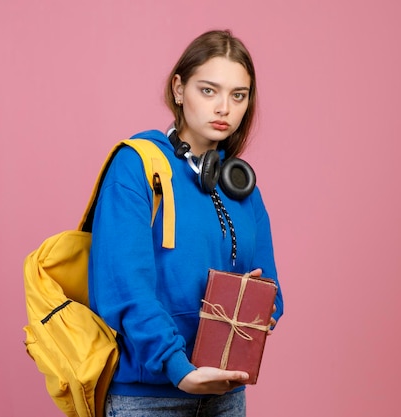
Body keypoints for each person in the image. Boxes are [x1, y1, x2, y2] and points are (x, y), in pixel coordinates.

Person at [88, 29, 284, 417]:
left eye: (238, 95)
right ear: (179, 88)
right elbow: (124, 287)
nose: (223, 108)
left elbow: (273, 291)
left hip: (225, 397)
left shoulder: (240, 185)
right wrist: (177, 367)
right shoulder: (136, 166)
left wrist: (258, 309)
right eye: (208, 90)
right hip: (149, 399)